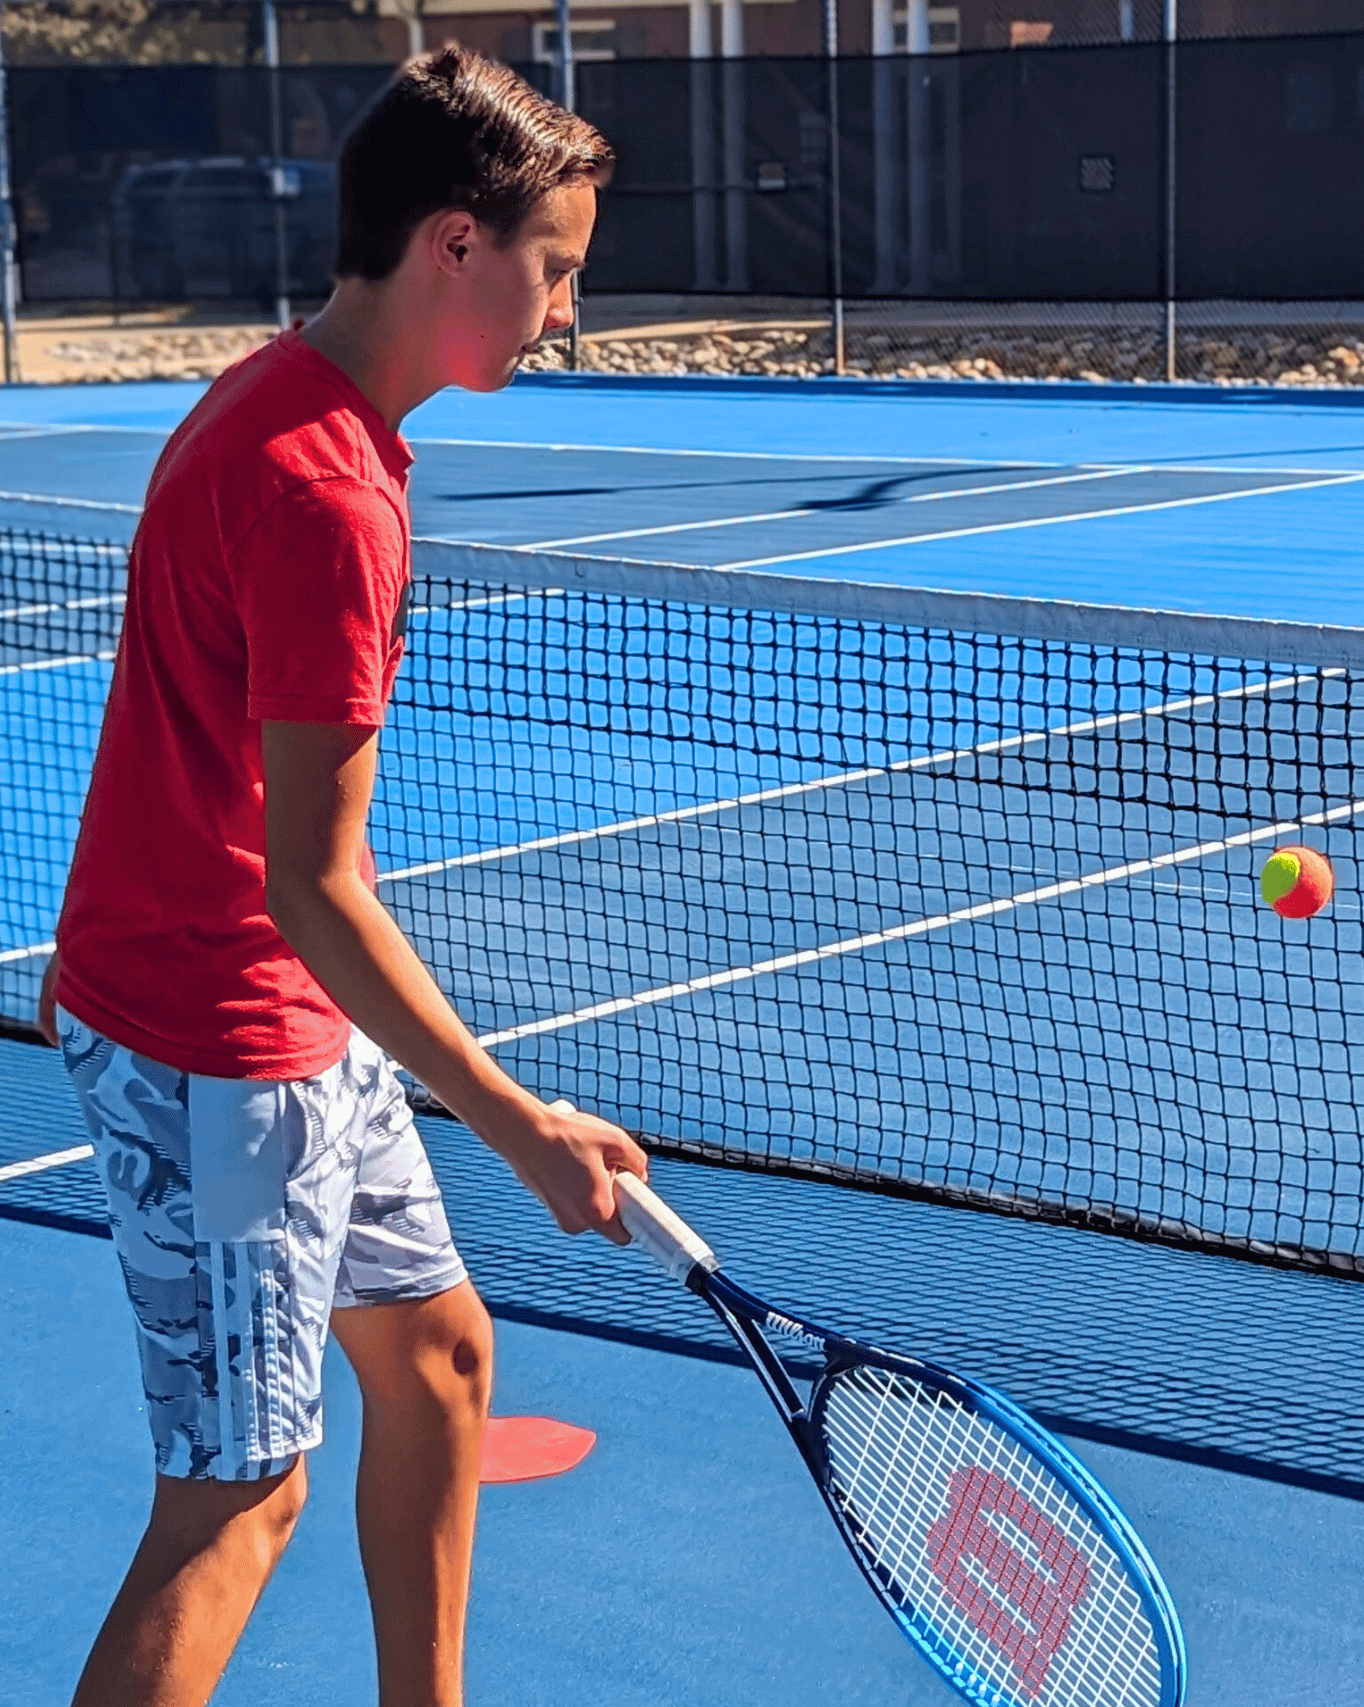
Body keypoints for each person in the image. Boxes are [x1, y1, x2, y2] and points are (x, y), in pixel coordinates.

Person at [32, 48, 649, 1707]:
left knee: (439, 1361)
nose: (566, 313)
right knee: (240, 1495)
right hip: (227, 1054)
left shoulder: (274, 403)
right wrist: (520, 1122)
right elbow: (314, 879)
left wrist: (80, 953)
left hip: (269, 1021)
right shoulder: (324, 492)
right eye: (558, 266)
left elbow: (165, 721)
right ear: (456, 242)